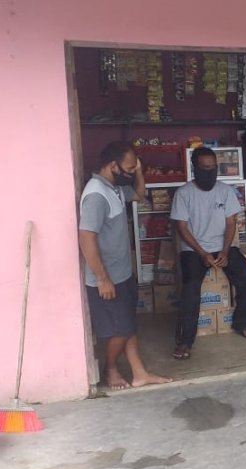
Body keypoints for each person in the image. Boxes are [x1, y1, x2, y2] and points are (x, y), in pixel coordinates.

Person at [79, 141, 172, 390]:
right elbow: (86, 237)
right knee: (121, 329)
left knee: (129, 325)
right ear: (113, 165)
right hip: (106, 277)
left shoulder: (115, 187)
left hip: (122, 273)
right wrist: (102, 278)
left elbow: (139, 194)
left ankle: (139, 372)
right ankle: (109, 369)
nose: (132, 172)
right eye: (129, 168)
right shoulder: (96, 194)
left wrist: (138, 171)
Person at [170, 147, 246, 360]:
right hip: (193, 249)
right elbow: (181, 228)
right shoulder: (184, 194)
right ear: (195, 168)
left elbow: (230, 224)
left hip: (222, 247)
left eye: (213, 168)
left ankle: (242, 323)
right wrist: (202, 253)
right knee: (190, 289)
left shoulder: (225, 191)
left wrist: (225, 251)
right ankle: (185, 341)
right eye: (204, 168)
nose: (209, 172)